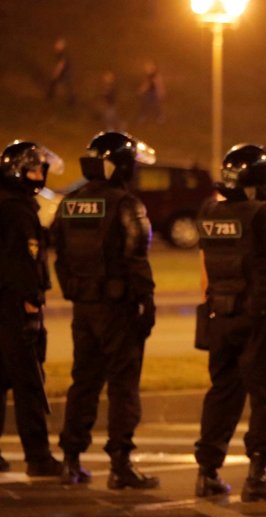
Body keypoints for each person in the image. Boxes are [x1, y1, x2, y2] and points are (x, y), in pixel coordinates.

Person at [52, 131, 159, 489]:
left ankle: (71, 458)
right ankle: (120, 463)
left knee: (83, 381)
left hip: (84, 308)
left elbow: (60, 255)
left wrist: (76, 291)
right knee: (122, 385)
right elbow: (137, 258)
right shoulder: (126, 204)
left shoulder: (71, 202)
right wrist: (147, 300)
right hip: (118, 308)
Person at [193, 144, 266, 501]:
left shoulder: (209, 211)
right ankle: (257, 474)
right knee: (263, 396)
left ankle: (207, 471)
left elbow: (204, 273)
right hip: (256, 318)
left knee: (221, 392)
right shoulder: (261, 215)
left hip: (219, 314)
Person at [0, 141, 65, 477]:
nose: (39, 176)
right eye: (34, 169)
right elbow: (23, 260)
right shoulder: (18, 209)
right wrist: (31, 299)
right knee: (28, 382)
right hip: (13, 308)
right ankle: (38, 456)